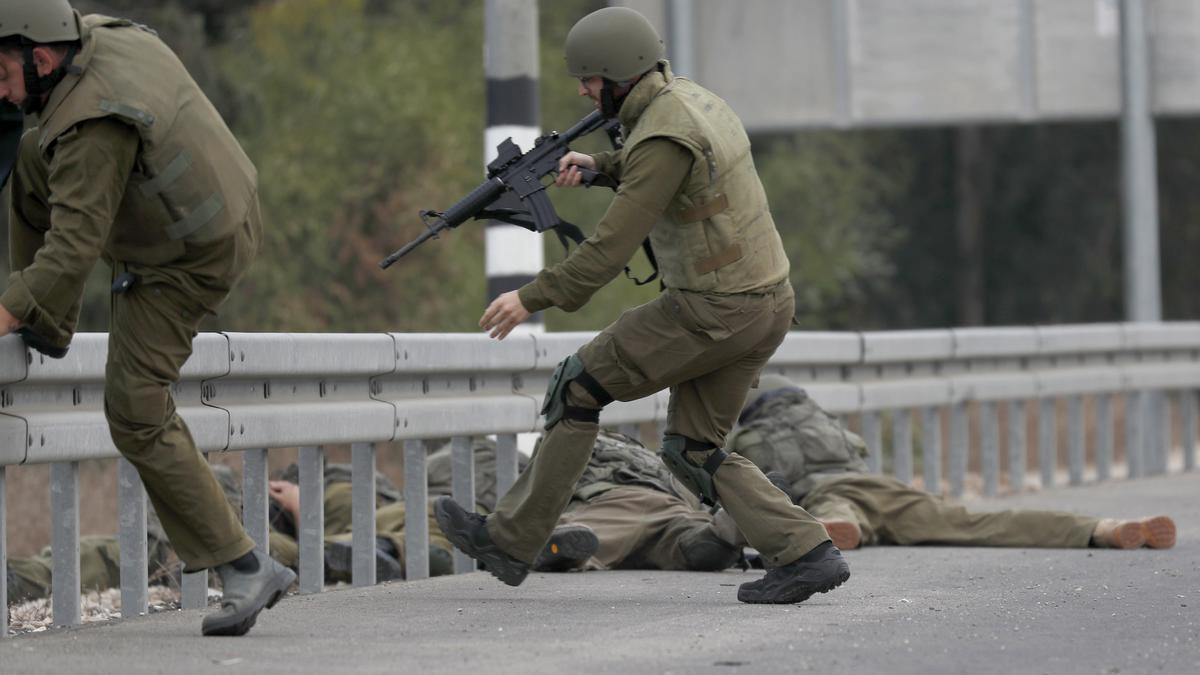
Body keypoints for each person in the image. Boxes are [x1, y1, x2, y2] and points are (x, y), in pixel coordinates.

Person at [436, 6, 848, 605]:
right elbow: (672, 170)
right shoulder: (691, 101)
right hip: (766, 303)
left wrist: (532, 296)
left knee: (579, 386)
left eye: (590, 79)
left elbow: (607, 251)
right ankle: (808, 552)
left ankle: (510, 540)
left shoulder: (660, 132)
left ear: (622, 74)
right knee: (693, 449)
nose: (582, 90)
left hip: (714, 308)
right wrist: (601, 166)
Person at [0, 1, 292, 635]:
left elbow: (70, 251)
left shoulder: (92, 128)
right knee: (29, 161)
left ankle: (244, 565)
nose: (0, 89)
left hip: (186, 258)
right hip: (216, 206)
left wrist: (5, 312)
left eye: (2, 75)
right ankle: (47, 323)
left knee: (133, 408)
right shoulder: (100, 34)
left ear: (41, 59)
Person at [728, 374, 1178, 552]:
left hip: (827, 494)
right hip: (881, 487)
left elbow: (741, 494)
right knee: (977, 521)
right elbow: (858, 457)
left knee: (838, 512)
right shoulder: (821, 421)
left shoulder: (746, 436)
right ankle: (1101, 527)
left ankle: (828, 531)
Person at [530, 430, 745, 573]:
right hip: (676, 505)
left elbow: (541, 492)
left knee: (593, 532)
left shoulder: (574, 441)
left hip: (622, 502)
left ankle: (551, 547)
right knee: (688, 536)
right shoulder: (644, 453)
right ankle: (724, 532)